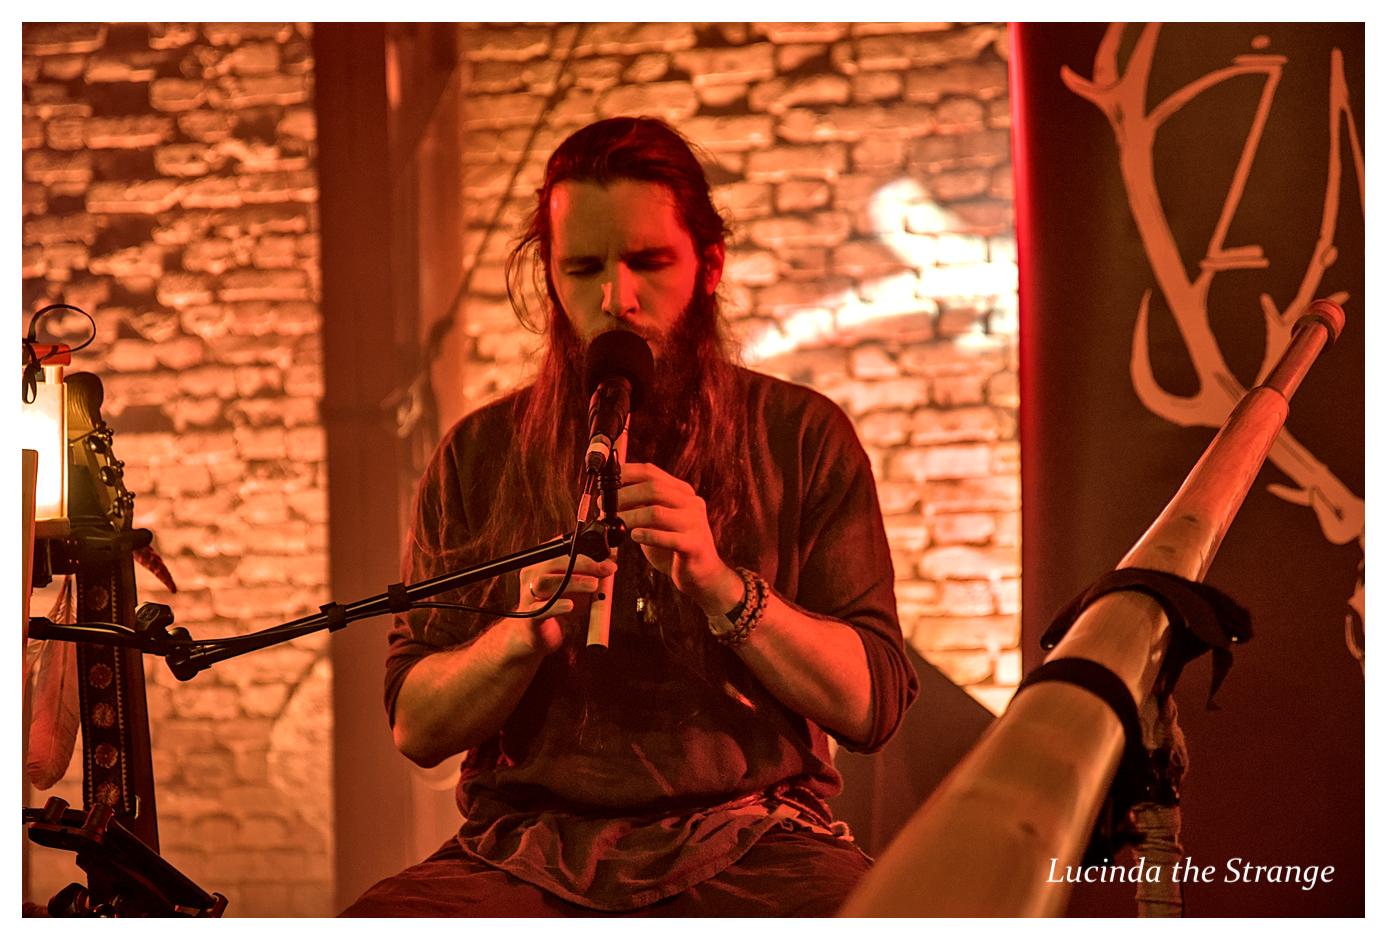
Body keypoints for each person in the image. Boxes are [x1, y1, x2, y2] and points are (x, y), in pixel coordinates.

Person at [342, 116, 918, 917]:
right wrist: (520, 636)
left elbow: (872, 705)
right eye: (581, 268)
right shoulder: (478, 452)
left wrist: (722, 588)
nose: (616, 299)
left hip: (756, 835)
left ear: (709, 265)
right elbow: (416, 726)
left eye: (648, 262)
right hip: (525, 844)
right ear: (550, 277)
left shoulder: (800, 433)